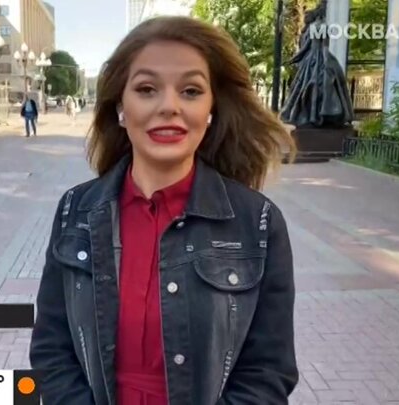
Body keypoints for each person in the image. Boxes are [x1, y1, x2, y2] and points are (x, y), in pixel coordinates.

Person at [30, 15, 298, 405]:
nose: (169, 106)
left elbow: (268, 372)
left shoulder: (257, 223)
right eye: (147, 89)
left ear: (211, 108)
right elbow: (51, 350)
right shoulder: (76, 211)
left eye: (190, 91)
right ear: (120, 106)